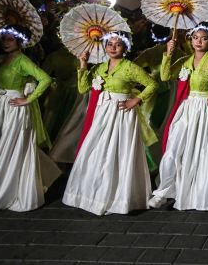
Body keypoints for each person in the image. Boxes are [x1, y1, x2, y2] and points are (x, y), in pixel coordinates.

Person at [62, 31, 158, 215]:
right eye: (109, 44)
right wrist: (83, 65)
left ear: (125, 47)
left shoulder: (130, 67)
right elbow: (83, 88)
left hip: (122, 113)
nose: (113, 48)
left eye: (118, 44)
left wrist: (135, 100)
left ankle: (118, 196)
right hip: (103, 113)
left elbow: (152, 84)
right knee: (97, 149)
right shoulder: (99, 67)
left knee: (119, 150)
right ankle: (94, 193)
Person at [0, 25, 60, 213]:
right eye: (4, 39)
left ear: (19, 41)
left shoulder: (22, 61)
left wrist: (28, 99)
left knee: (11, 147)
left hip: (14, 108)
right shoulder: (0, 59)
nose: (5, 42)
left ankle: (9, 186)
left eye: (10, 39)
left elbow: (45, 79)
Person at [148, 24, 208, 210]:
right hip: (187, 108)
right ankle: (163, 192)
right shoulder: (185, 61)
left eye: (204, 38)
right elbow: (165, 76)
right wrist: (168, 54)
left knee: (203, 151)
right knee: (174, 149)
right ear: (190, 40)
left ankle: (200, 192)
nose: (199, 41)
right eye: (195, 38)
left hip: (206, 111)